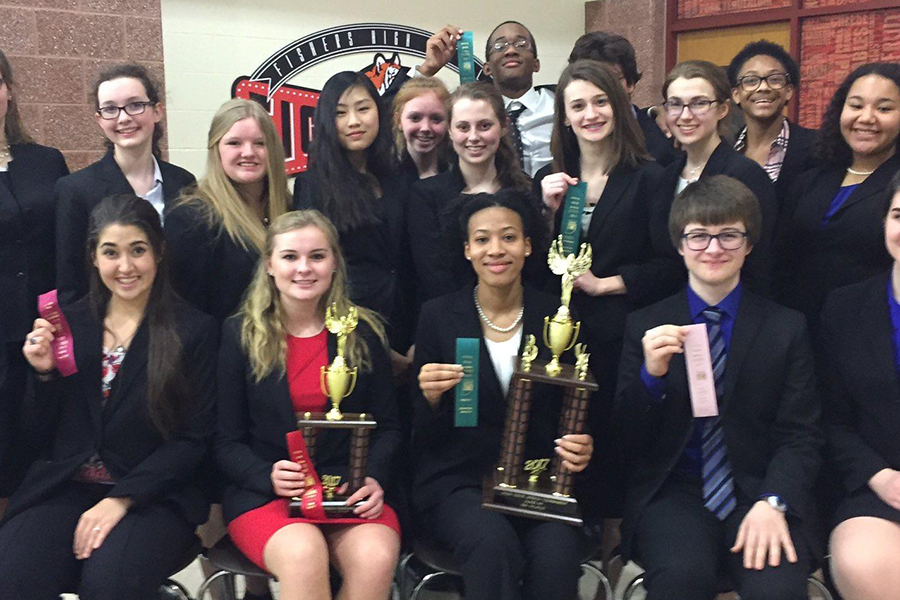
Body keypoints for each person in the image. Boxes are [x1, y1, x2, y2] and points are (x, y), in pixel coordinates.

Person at [615, 175, 822, 600]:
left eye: (729, 235)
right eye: (698, 236)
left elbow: (801, 434)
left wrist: (774, 500)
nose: (713, 249)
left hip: (758, 490)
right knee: (681, 579)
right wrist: (650, 377)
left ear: (749, 244)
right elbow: (626, 438)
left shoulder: (786, 327)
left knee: (778, 591)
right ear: (679, 244)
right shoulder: (645, 325)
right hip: (674, 491)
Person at [0, 194, 216, 600]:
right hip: (65, 488)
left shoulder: (194, 331)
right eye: (111, 253)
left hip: (152, 496)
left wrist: (122, 499)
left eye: (138, 250)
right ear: (94, 258)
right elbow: (36, 432)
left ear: (160, 252)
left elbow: (193, 442)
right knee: (11, 578)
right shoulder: (69, 325)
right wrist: (44, 375)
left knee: (110, 585)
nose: (126, 267)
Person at [412, 190, 594, 600]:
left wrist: (584, 446)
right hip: (461, 482)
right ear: (466, 250)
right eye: (482, 239)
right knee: (491, 543)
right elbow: (421, 435)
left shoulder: (559, 318)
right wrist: (430, 398)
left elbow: (580, 410)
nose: (496, 250)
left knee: (557, 552)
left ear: (529, 246)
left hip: (538, 480)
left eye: (509, 237)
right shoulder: (438, 317)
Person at [216, 210, 401, 600]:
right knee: (304, 553)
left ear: (334, 263)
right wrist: (264, 475)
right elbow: (224, 440)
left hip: (349, 491)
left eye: (317, 256)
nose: (304, 268)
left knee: (377, 555)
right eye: (289, 257)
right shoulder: (239, 335)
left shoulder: (363, 332)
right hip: (267, 496)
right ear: (269, 265)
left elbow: (389, 427)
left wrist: (374, 477)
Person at [536, 59, 664, 518]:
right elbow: (533, 268)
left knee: (607, 447)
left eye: (600, 101)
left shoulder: (649, 178)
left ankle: (609, 545)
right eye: (578, 106)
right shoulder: (551, 183)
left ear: (619, 106)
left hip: (616, 340)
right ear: (565, 118)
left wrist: (606, 284)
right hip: (557, 344)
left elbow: (669, 265)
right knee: (560, 444)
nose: (590, 114)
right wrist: (547, 213)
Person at [294, 71, 410, 374]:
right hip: (348, 333)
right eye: (340, 113)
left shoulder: (397, 176)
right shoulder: (313, 184)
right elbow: (317, 270)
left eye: (363, 108)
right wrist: (371, 342)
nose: (354, 121)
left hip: (404, 327)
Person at [55, 64, 195, 306]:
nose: (124, 118)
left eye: (135, 105)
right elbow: (72, 284)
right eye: (110, 109)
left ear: (157, 111)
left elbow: (194, 266)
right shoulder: (75, 190)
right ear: (99, 120)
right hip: (111, 328)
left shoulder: (184, 182)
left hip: (180, 325)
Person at [777, 62, 900, 332]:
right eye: (856, 105)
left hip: (872, 333)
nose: (866, 118)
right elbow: (782, 259)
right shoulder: (811, 179)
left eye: (884, 108)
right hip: (801, 330)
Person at [822, 174, 900, 600]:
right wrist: (879, 475)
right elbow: (831, 419)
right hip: (875, 487)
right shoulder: (845, 307)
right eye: (899, 215)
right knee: (867, 563)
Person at [0, 47, 70, 499]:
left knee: (53, 444)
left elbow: (69, 240)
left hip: (51, 329)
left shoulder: (45, 160)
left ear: (8, 91)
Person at [655, 60, 778, 295]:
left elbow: (761, 262)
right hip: (670, 307)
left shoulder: (746, 175)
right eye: (675, 104)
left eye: (699, 103)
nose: (686, 115)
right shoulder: (664, 177)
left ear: (723, 109)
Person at [164, 98, 291, 324]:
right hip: (228, 353)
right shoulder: (190, 219)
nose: (248, 152)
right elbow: (188, 316)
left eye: (260, 143)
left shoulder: (291, 209)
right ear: (216, 149)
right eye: (234, 143)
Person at [408, 82, 534, 306]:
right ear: (450, 131)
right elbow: (432, 277)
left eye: (484, 126)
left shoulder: (526, 191)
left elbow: (535, 268)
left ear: (503, 126)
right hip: (450, 320)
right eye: (463, 127)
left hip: (516, 315)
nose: (474, 137)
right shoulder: (425, 196)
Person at [418, 21, 553, 176]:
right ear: (487, 68)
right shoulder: (464, 112)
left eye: (521, 44)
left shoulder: (561, 105)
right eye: (499, 46)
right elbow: (401, 118)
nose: (510, 50)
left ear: (536, 64)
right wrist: (428, 68)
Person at [726, 40, 817, 211]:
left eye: (774, 79)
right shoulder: (725, 151)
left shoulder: (817, 147)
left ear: (789, 91)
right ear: (736, 94)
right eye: (751, 80)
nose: (763, 87)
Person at [567, 31, 679, 166]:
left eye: (611, 79)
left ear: (630, 83)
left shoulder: (662, 142)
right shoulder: (568, 140)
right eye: (589, 80)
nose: (601, 88)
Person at [391, 76, 450, 184]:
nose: (425, 128)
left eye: (436, 119)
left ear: (449, 123)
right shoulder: (386, 179)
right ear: (399, 120)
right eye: (415, 118)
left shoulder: (458, 177)